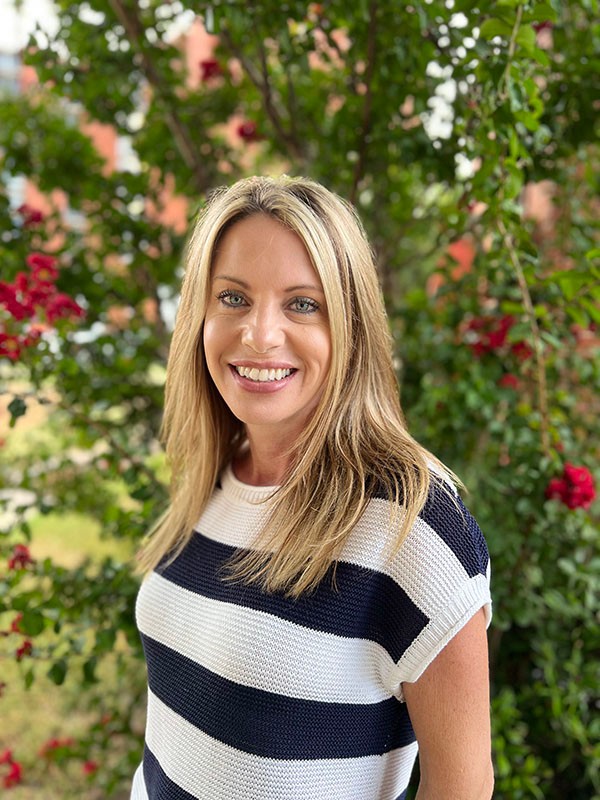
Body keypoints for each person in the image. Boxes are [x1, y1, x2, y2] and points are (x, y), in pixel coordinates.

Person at [130, 175, 494, 800]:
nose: (260, 335)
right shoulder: (218, 473)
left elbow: (462, 787)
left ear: (350, 327)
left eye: (303, 303)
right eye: (233, 298)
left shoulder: (411, 524)